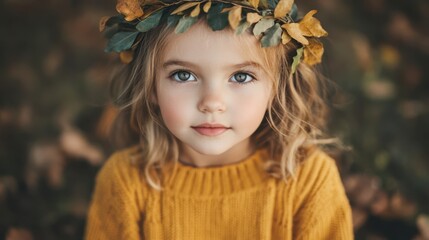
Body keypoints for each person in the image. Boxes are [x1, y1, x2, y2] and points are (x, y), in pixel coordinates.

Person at [85, 0, 354, 239]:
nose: (212, 103)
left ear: (276, 87)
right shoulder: (125, 183)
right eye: (183, 75)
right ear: (151, 87)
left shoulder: (309, 181)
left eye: (241, 77)